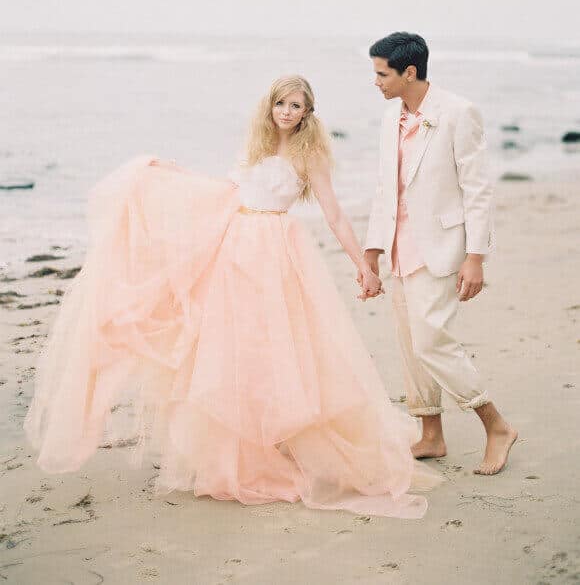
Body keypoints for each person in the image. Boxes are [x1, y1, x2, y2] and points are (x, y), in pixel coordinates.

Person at [24, 75, 440, 518]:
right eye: (280, 103)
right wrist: (170, 177)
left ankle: (280, 441)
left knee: (280, 347)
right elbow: (225, 193)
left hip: (277, 252)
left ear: (306, 113)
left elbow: (333, 211)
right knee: (230, 350)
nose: (286, 111)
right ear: (271, 106)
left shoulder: (309, 153)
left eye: (296, 105)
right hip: (234, 250)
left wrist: (362, 263)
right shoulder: (256, 145)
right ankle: (242, 447)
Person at [360, 33, 518, 475]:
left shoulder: (458, 112)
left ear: (409, 72)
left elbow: (477, 188)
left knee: (432, 341)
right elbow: (384, 189)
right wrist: (372, 252)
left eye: (381, 73)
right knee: (411, 346)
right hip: (398, 249)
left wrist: (476, 256)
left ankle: (496, 424)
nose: (375, 82)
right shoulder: (392, 116)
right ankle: (431, 434)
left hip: (441, 248)